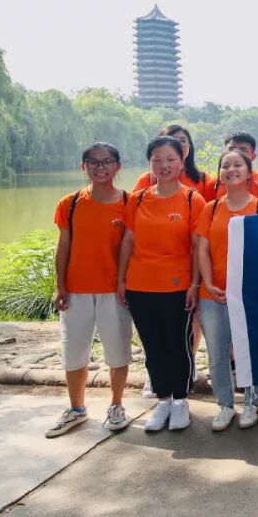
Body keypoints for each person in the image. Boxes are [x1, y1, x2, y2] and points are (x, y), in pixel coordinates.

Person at [117, 136, 207, 432]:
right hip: (140, 285)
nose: (164, 165)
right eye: (157, 159)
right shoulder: (137, 199)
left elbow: (197, 246)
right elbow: (128, 241)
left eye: (170, 159)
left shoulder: (192, 199)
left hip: (177, 286)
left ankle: (181, 401)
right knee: (152, 346)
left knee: (178, 345)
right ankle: (163, 400)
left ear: (182, 162)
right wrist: (121, 280)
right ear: (150, 163)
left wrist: (194, 285)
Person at [45, 143, 133, 438]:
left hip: (113, 291)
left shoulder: (129, 203)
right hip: (76, 289)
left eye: (107, 162)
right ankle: (76, 409)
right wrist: (60, 284)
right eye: (93, 162)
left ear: (117, 166)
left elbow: (131, 247)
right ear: (83, 166)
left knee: (118, 351)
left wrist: (125, 283)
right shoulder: (69, 203)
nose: (100, 167)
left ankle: (116, 405)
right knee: (74, 352)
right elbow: (64, 246)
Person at [195, 149, 258, 431]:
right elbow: (202, 249)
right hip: (213, 294)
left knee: (252, 350)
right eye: (225, 166)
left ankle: (252, 402)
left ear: (249, 172)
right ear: (220, 174)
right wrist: (207, 282)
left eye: (237, 165)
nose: (231, 170)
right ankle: (225, 404)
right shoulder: (211, 208)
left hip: (250, 295)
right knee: (217, 352)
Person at [133, 124, 216, 200]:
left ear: (189, 146)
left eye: (183, 140)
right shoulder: (147, 180)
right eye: (172, 140)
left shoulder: (204, 180)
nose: (178, 144)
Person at [212, 132, 258, 201]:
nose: (236, 153)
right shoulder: (214, 184)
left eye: (243, 150)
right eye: (231, 149)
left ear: (253, 156)